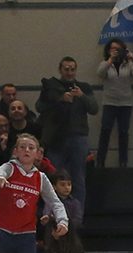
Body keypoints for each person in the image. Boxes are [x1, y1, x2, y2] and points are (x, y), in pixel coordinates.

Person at [0, 133, 68, 253]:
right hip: (4, 232)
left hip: (27, 234)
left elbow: (55, 202)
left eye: (31, 148)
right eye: (22, 147)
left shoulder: (40, 177)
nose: (26, 150)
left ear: (37, 154)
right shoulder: (9, 168)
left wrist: (63, 221)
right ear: (15, 151)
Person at [37, 57, 98, 209]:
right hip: (56, 138)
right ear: (60, 70)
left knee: (78, 178)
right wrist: (59, 99)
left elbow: (94, 109)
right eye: (66, 69)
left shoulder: (84, 87)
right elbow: (39, 106)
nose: (70, 72)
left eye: (72, 69)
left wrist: (81, 96)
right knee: (54, 178)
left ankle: (76, 217)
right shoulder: (51, 86)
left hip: (78, 136)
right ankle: (54, 214)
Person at [97, 39, 133, 169]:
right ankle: (100, 161)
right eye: (113, 48)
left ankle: (123, 161)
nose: (115, 51)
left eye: (118, 49)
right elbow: (100, 73)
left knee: (123, 133)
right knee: (105, 131)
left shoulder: (127, 64)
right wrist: (110, 59)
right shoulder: (106, 64)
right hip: (109, 102)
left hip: (125, 104)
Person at [43, 170, 85, 253]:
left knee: (77, 245)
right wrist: (46, 219)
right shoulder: (50, 202)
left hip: (71, 235)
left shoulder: (75, 203)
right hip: (54, 235)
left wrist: (65, 228)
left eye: (69, 184)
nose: (66, 187)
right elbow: (47, 214)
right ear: (54, 187)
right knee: (51, 239)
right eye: (62, 185)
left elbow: (78, 221)